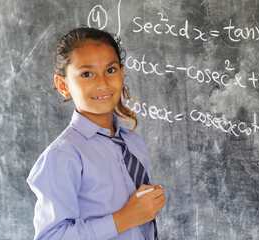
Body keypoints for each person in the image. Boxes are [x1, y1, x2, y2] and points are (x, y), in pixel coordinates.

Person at [26, 26, 165, 240]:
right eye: (87, 74)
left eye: (110, 70)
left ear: (121, 73)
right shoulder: (63, 156)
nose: (102, 83)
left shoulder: (134, 144)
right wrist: (124, 218)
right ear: (63, 85)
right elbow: (51, 237)